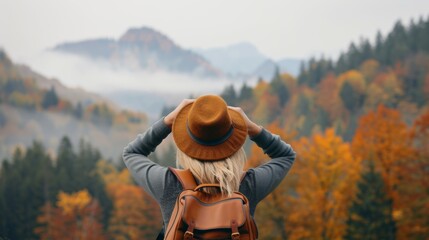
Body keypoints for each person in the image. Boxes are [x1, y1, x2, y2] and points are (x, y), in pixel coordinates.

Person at [123, 94, 296, 238]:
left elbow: (132, 153)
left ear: (186, 145)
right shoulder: (248, 185)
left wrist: (168, 121)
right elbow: (286, 155)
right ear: (233, 144)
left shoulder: (168, 184)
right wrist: (251, 128)